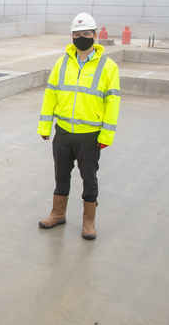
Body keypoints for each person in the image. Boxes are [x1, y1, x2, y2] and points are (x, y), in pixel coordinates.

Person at [37, 13, 120, 240]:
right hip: (63, 133)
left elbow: (113, 102)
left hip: (90, 136)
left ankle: (89, 222)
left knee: (89, 179)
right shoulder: (62, 62)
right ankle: (57, 213)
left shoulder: (108, 67)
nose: (81, 37)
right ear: (71, 36)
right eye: (77, 34)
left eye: (86, 34)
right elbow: (50, 95)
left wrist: (106, 135)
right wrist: (45, 127)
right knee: (61, 176)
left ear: (95, 35)